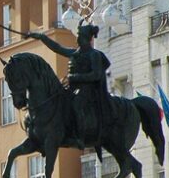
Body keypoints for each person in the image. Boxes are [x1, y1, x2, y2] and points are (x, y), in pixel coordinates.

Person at [27, 21, 111, 149]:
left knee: (77, 105)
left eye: (79, 36)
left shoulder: (94, 55)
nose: (77, 39)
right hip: (73, 89)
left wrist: (74, 77)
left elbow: (96, 75)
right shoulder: (74, 53)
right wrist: (41, 37)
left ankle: (80, 137)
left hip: (88, 91)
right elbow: (57, 48)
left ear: (86, 39)